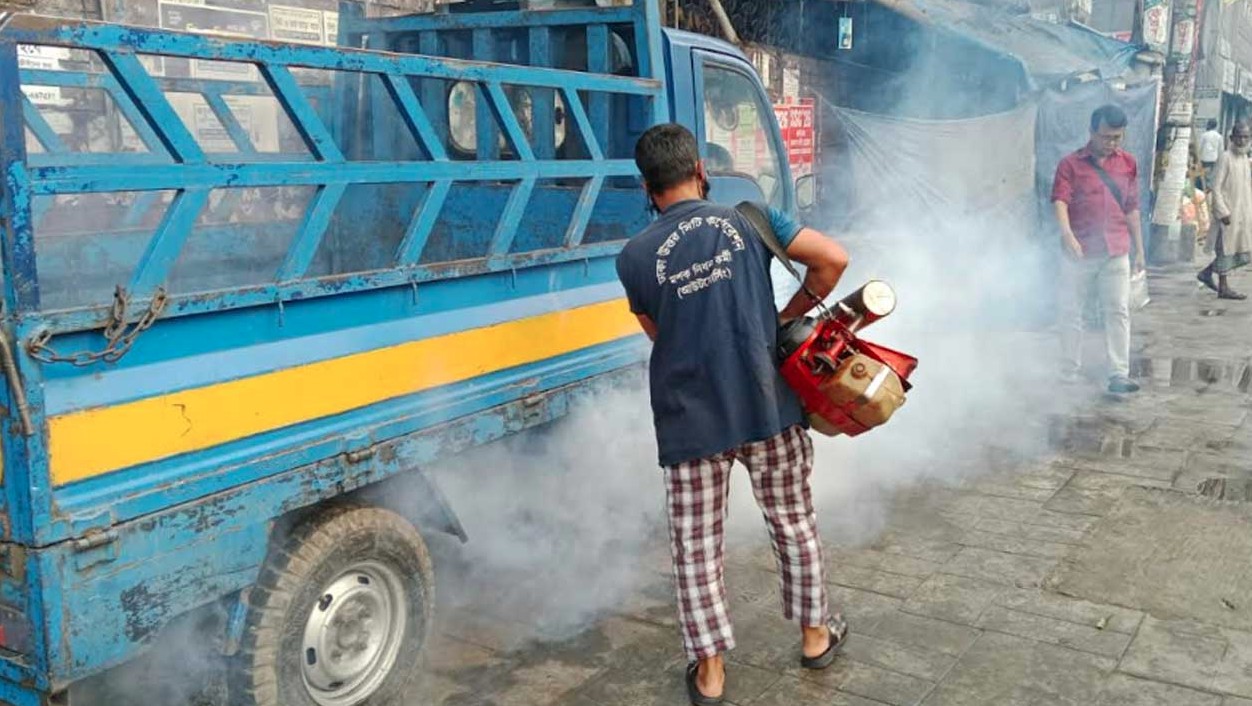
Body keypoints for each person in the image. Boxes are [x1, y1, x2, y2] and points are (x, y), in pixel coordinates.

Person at [615, 123, 851, 705]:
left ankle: (712, 675)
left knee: (696, 546)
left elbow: (659, 333)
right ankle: (816, 637)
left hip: (691, 419)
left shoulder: (634, 257)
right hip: (767, 403)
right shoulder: (752, 217)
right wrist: (781, 318)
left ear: (647, 188)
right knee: (793, 521)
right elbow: (832, 260)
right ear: (701, 172)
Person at [1052, 104, 1146, 394]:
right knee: (1071, 310)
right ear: (1092, 132)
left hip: (1116, 248)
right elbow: (1060, 200)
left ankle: (1119, 373)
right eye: (1107, 137)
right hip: (1079, 251)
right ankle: (1069, 369)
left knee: (1118, 310)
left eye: (1117, 137)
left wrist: (1139, 250)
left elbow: (1131, 208)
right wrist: (1067, 234)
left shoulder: (1128, 163)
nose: (1112, 143)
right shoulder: (1070, 164)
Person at [1199, 122, 1252, 300]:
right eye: (1239, 136)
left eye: (1246, 137)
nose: (1242, 140)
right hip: (1227, 215)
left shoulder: (1245, 158)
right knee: (1225, 250)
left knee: (1244, 254)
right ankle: (1223, 288)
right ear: (1231, 138)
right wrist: (1223, 212)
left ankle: (1207, 273)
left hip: (1242, 213)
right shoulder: (1226, 157)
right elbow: (1216, 186)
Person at [1199, 119, 1224, 189]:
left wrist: (1198, 157)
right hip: (1215, 158)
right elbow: (1221, 149)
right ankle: (1210, 188)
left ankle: (1205, 187)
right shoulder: (1219, 136)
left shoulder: (1204, 135)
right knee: (1213, 175)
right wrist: (1220, 159)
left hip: (1205, 158)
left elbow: (1200, 147)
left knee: (1205, 174)